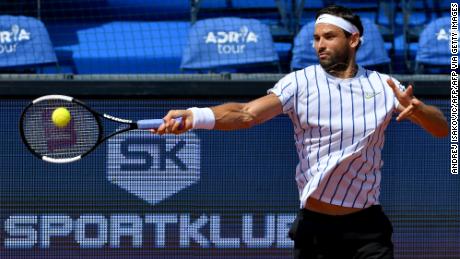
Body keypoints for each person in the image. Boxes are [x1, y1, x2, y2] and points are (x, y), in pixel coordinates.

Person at [153, 5, 449, 259]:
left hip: (367, 230)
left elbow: (443, 130)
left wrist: (420, 110)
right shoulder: (299, 83)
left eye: (329, 37)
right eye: (316, 38)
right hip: (315, 230)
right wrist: (196, 115)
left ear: (354, 39)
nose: (320, 44)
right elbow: (246, 114)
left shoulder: (384, 85)